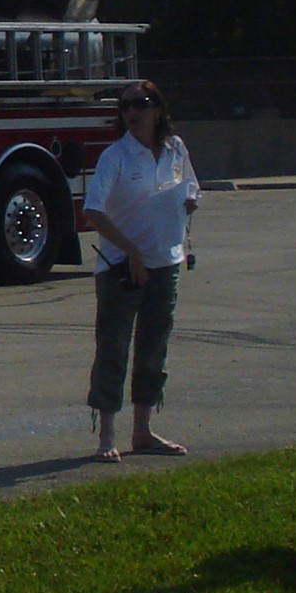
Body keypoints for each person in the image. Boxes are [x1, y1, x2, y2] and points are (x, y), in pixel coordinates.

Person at [82, 78, 201, 461]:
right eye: (125, 106)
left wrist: (187, 203)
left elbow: (192, 188)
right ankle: (107, 437)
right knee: (114, 347)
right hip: (121, 267)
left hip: (166, 261)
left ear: (158, 109)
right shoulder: (115, 156)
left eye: (140, 104)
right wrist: (130, 250)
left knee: (154, 348)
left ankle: (143, 431)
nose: (131, 112)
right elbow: (93, 211)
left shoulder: (175, 148)